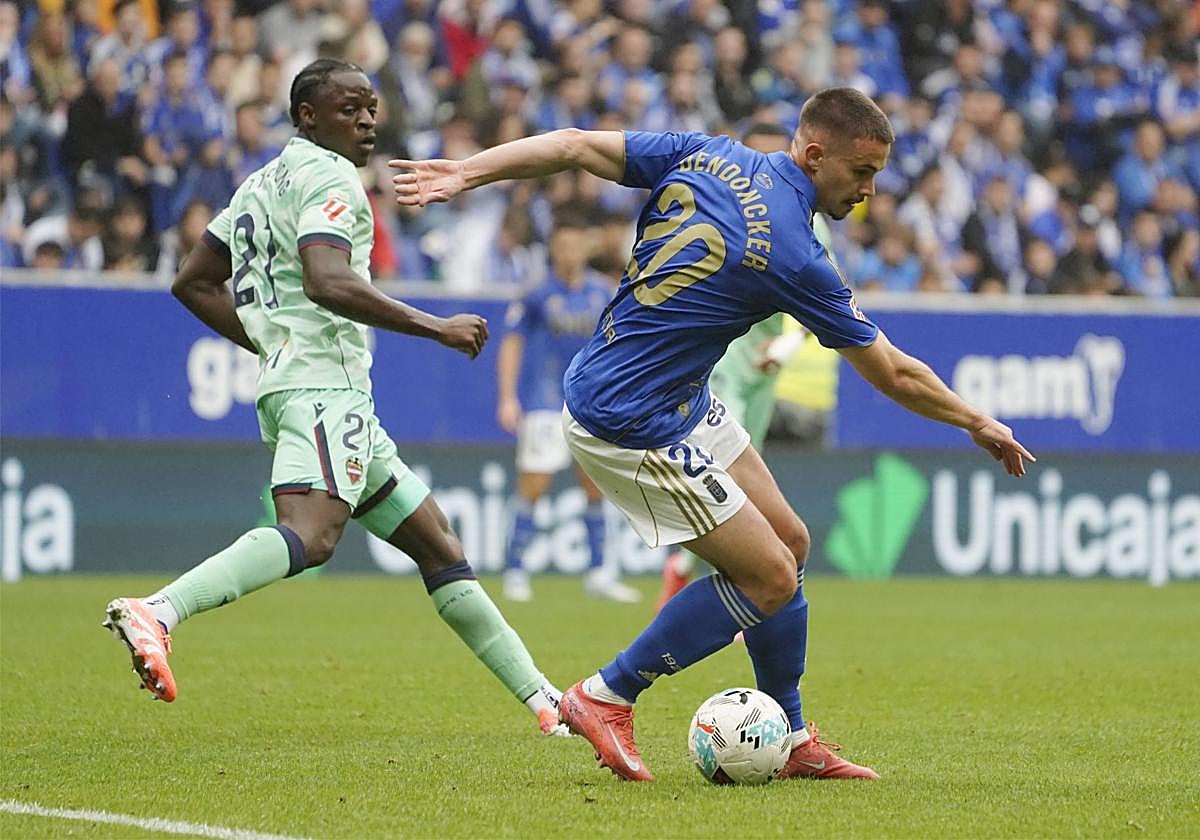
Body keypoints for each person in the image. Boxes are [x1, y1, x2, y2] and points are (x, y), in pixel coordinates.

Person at [392, 87, 1034, 782]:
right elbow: (894, 373)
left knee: (789, 543)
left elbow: (573, 144)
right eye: (861, 173)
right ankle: (606, 694)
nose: (869, 191)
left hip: (676, 395)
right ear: (814, 155)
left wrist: (466, 171)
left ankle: (790, 737)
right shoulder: (796, 251)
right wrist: (976, 419)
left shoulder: (706, 153)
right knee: (769, 576)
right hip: (627, 417)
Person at [103, 58, 568, 739]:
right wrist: (435, 326)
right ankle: (160, 611)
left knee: (440, 547)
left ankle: (545, 701)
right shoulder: (331, 177)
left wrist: (274, 341)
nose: (367, 121)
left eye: (371, 107)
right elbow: (326, 279)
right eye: (348, 109)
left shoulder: (260, 183)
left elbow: (193, 281)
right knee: (313, 535)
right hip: (326, 388)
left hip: (317, 388)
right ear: (307, 115)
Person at [655, 122, 820, 612]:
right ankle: (687, 580)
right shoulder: (719, 201)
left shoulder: (807, 216)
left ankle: (721, 586)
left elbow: (828, 292)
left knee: (751, 488)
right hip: (720, 361)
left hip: (764, 370)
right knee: (725, 480)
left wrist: (789, 344)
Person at [496, 211, 640, 604]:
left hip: (591, 404)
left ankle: (599, 572)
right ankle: (516, 570)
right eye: (564, 245)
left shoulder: (602, 292)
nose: (571, 252)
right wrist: (508, 397)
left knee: (597, 486)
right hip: (545, 401)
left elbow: (619, 345)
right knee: (534, 484)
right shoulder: (537, 294)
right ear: (554, 249)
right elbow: (512, 343)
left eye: (577, 245)